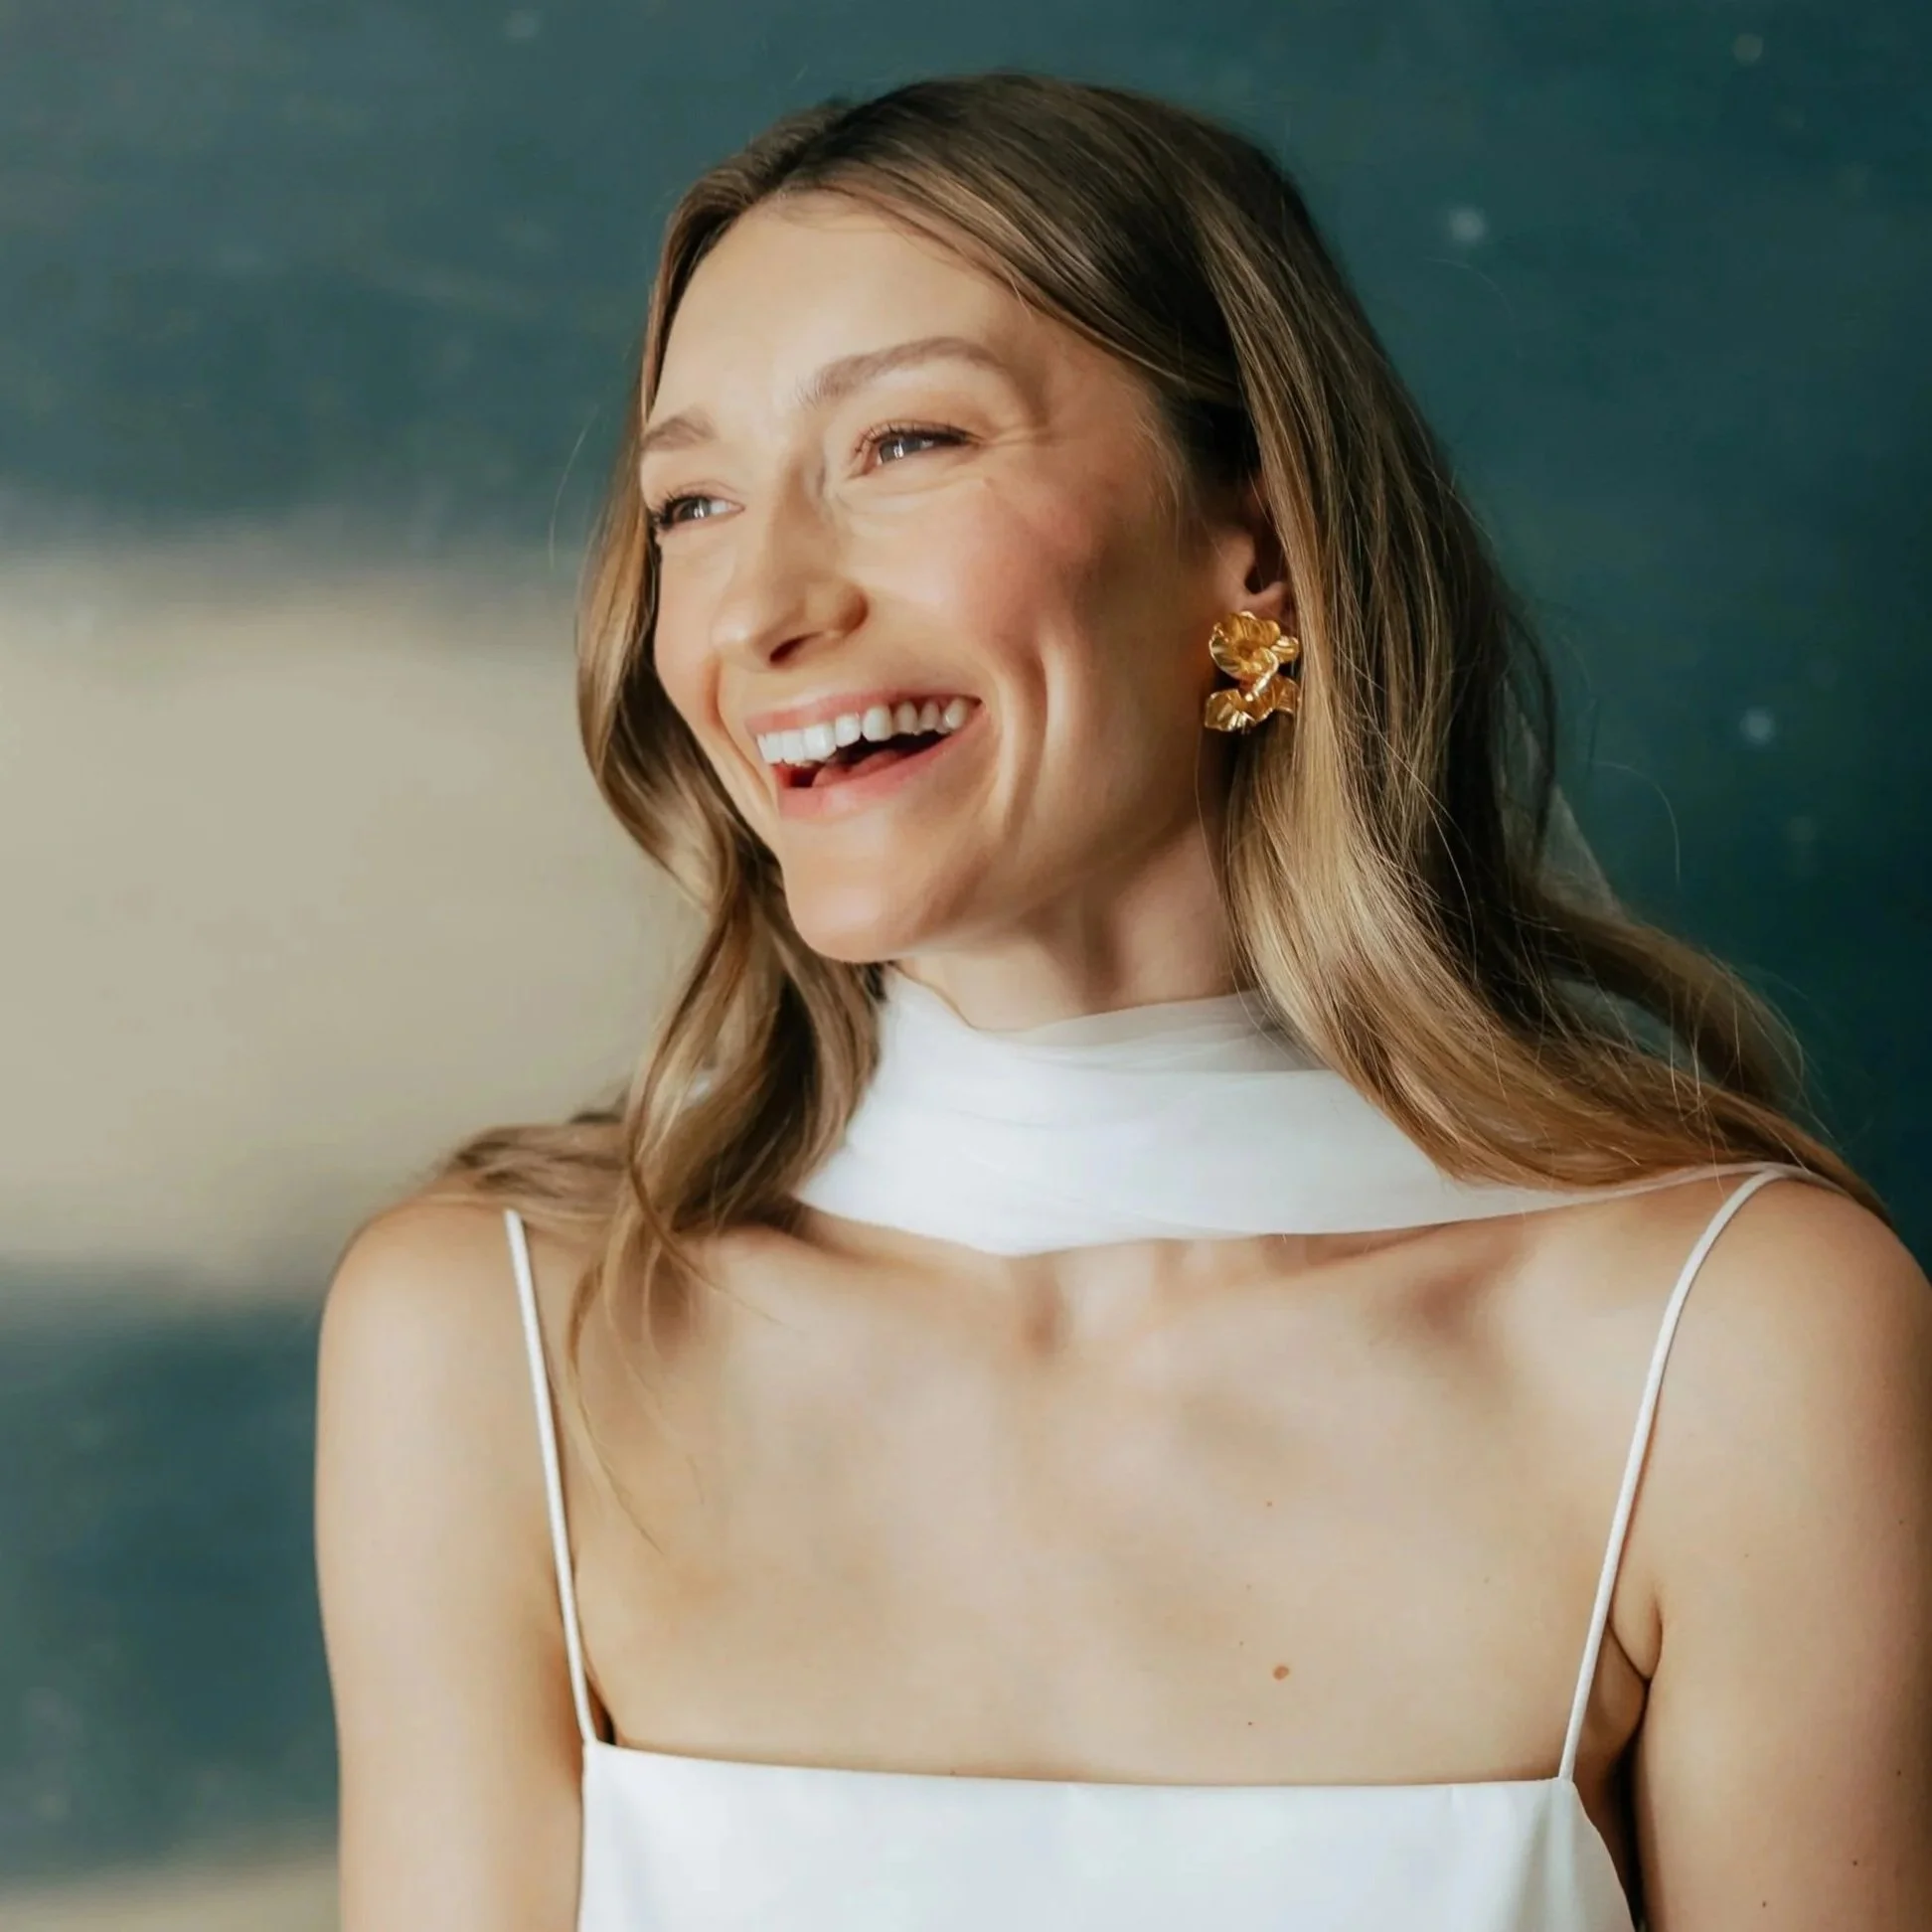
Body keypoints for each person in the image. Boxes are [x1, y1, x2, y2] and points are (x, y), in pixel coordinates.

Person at [314, 73, 1932, 1932]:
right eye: (691, 500)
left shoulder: (1732, 1350)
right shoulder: (494, 1343)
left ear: (1254, 545)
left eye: (905, 444)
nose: (756, 608)